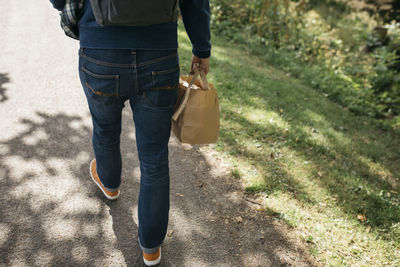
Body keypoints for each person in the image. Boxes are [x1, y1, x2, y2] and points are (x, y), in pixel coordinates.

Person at [50, 0, 211, 265]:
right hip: (159, 54)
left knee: (105, 127)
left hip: (99, 49)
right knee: (155, 159)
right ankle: (151, 246)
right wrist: (201, 48)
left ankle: (109, 183)